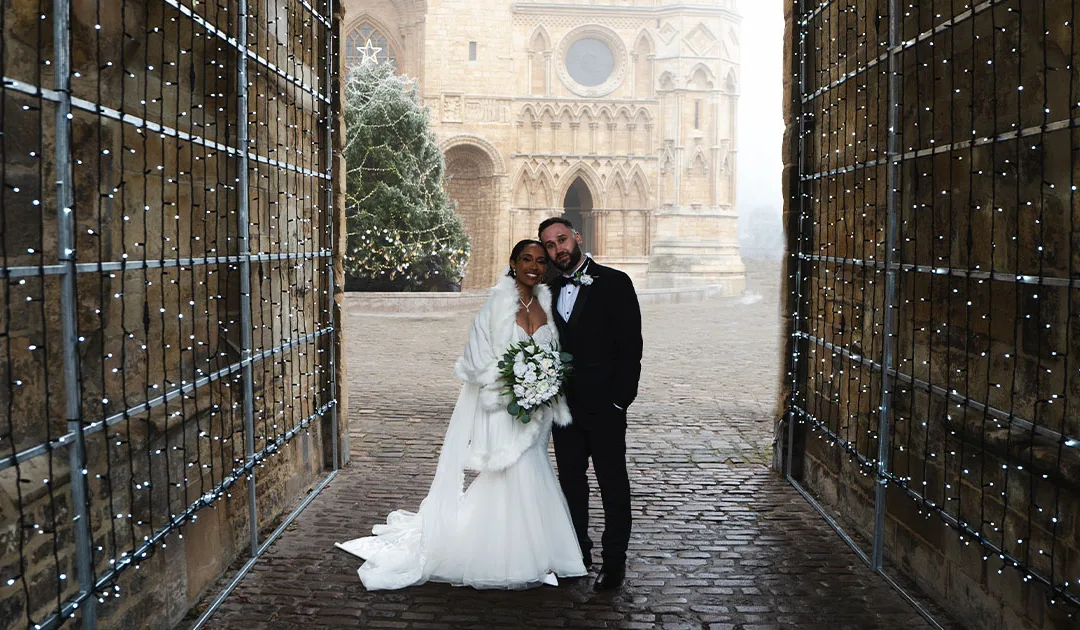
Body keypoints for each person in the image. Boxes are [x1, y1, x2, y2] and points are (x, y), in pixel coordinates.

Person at [335, 240, 587, 590]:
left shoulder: (545, 301)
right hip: (505, 407)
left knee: (534, 470)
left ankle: (542, 551)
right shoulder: (496, 306)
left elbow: (554, 354)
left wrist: (544, 383)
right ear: (512, 262)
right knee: (509, 472)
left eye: (541, 261)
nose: (534, 266)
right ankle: (503, 556)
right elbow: (477, 361)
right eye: (526, 259)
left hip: (538, 411)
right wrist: (515, 387)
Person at [538, 217, 642, 591]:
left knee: (613, 486)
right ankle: (577, 555)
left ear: (577, 238)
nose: (558, 249)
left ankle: (614, 563)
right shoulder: (545, 288)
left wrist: (620, 401)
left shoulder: (615, 282)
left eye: (562, 240)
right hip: (563, 410)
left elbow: (631, 348)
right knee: (571, 485)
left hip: (605, 408)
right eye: (549, 245)